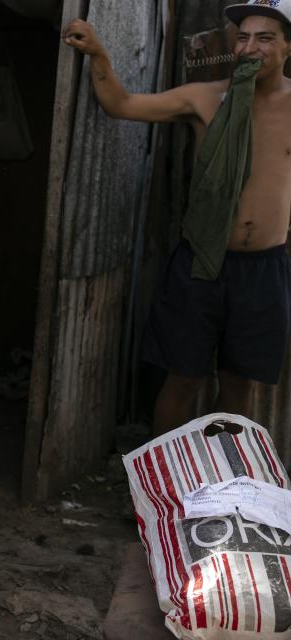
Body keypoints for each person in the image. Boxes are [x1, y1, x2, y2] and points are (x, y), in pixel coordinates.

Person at [63, 0, 291, 434]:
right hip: (201, 264)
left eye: (265, 39)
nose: (250, 47)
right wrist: (99, 55)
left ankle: (225, 485)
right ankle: (166, 491)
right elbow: (122, 104)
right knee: (183, 378)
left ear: (287, 48)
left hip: (263, 268)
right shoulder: (205, 98)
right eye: (243, 37)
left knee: (239, 384)